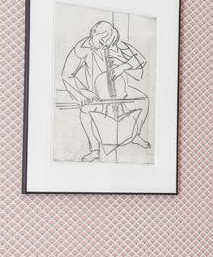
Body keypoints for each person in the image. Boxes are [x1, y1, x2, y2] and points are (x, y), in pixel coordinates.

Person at [60, 19, 149, 162]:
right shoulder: (82, 48)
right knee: (85, 111)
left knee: (144, 101)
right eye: (102, 42)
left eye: (109, 43)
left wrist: (123, 66)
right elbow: (67, 75)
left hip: (120, 89)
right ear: (93, 34)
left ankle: (135, 135)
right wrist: (81, 94)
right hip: (96, 92)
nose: (106, 46)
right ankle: (94, 150)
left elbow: (141, 60)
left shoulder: (114, 42)